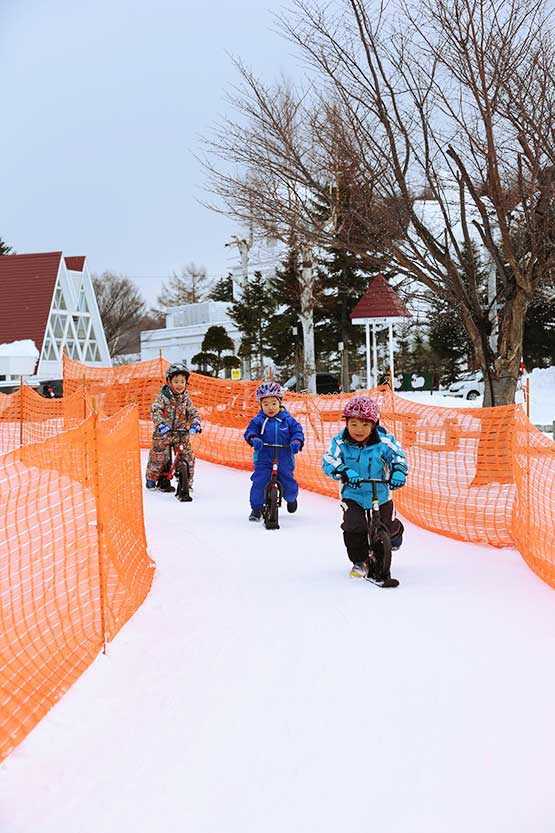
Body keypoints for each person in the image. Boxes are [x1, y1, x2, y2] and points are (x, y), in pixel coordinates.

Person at [322, 395, 407, 580]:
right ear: (346, 423)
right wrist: (344, 471)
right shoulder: (340, 443)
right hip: (353, 494)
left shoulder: (384, 442)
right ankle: (360, 561)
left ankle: (391, 539)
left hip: (381, 492)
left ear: (374, 425)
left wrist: (398, 471)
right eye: (353, 424)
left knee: (385, 525)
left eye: (364, 425)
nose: (359, 430)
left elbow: (398, 455)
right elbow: (329, 459)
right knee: (354, 526)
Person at [244, 381, 305, 522]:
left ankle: (291, 498)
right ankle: (256, 508)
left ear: (280, 402)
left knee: (289, 484)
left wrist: (296, 441)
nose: (270, 408)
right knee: (260, 481)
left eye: (273, 403)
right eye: (266, 404)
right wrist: (254, 438)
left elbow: (297, 431)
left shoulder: (288, 420)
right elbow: (250, 431)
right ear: (260, 405)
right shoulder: (258, 420)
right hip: (264, 457)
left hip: (284, 457)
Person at [145, 362, 201, 495]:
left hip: (180, 433)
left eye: (182, 381)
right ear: (169, 381)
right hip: (164, 433)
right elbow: (155, 410)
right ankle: (152, 478)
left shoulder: (186, 399)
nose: (179, 385)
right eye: (176, 381)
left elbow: (193, 412)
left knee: (188, 455)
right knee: (158, 456)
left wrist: (195, 424)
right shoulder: (163, 397)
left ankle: (186, 481)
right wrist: (160, 424)